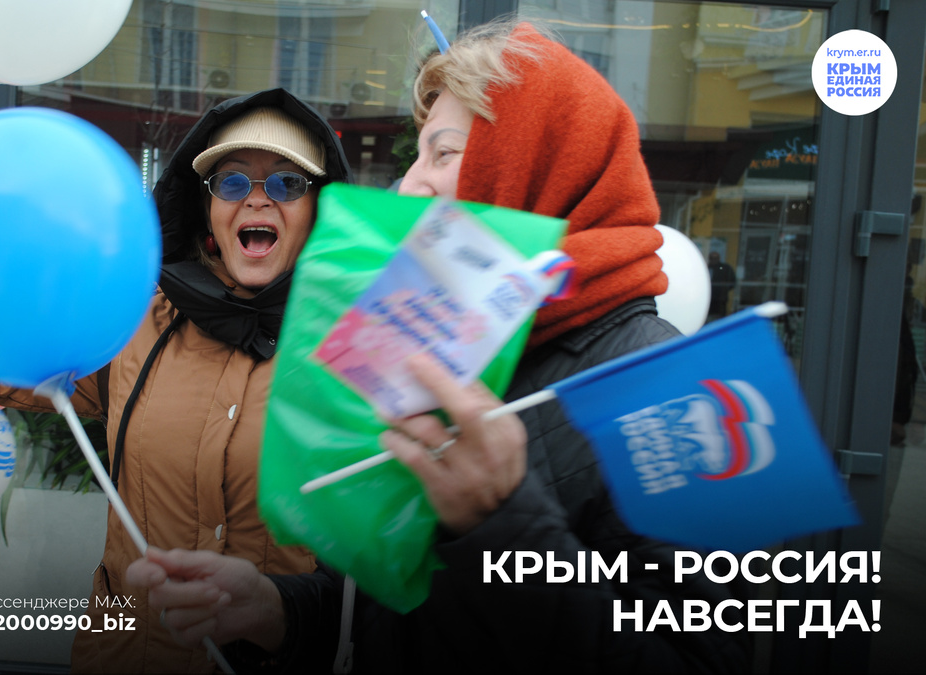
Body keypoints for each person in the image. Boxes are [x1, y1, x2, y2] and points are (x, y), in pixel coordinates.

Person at [126, 21, 753, 673]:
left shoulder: (680, 390)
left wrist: (501, 523)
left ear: (532, 162)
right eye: (417, 156)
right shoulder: (453, 341)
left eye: (442, 154)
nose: (410, 184)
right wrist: (275, 610)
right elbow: (393, 605)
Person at [0, 88, 353, 672]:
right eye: (232, 182)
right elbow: (4, 359)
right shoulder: (136, 318)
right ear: (207, 208)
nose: (256, 198)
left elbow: (383, 581)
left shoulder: (355, 350)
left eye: (287, 183)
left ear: (319, 207)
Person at [708, 251, 736, 318]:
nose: (714, 260)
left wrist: (724, 289)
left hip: (721, 297)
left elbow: (732, 281)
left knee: (720, 315)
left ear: (719, 258)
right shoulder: (706, 267)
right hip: (708, 296)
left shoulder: (725, 268)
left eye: (716, 258)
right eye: (712, 258)